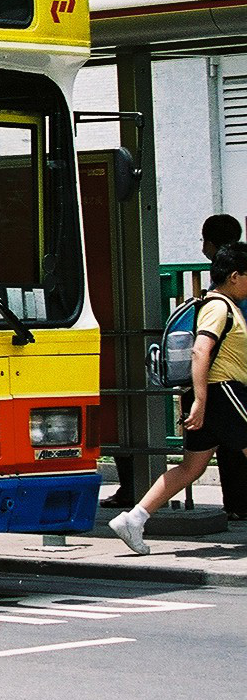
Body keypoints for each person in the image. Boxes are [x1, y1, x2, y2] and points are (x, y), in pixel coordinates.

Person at [108, 241, 247, 554]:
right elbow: (200, 350)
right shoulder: (219, 307)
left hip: (212, 397)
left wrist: (199, 401)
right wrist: (201, 401)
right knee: (191, 467)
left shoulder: (221, 305)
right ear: (235, 276)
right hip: (223, 392)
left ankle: (133, 519)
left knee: (190, 468)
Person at [202, 214, 246, 518]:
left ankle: (237, 505)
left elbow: (201, 349)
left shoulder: (223, 289)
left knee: (201, 460)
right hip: (230, 380)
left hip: (225, 378)